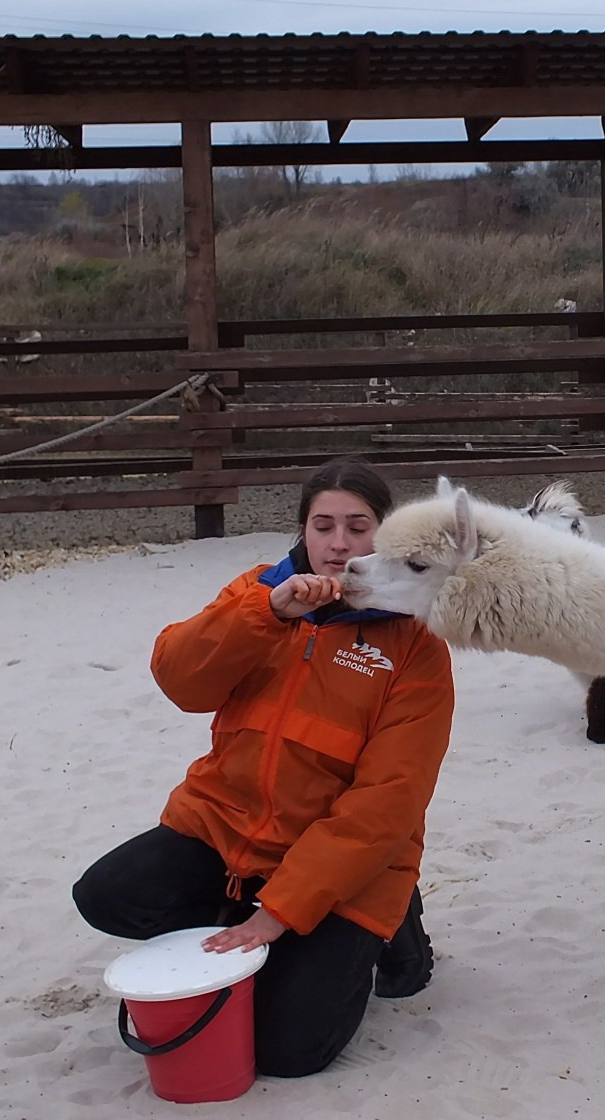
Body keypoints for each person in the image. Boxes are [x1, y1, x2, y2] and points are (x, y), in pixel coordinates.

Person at [73, 457, 455, 1077]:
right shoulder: (259, 591)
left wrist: (280, 912)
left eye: (358, 527)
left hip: (344, 864)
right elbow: (180, 680)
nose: (338, 544)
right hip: (227, 830)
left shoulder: (416, 643)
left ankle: (390, 920)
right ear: (303, 530)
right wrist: (267, 614)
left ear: (385, 535)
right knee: (106, 896)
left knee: (289, 1053)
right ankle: (249, 921)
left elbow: (389, 801)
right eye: (323, 525)